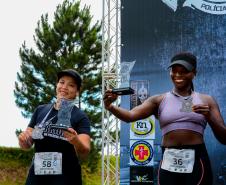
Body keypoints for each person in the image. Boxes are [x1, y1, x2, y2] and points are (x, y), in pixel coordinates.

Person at [104, 52, 226, 185]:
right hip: (168, 159)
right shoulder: (158, 100)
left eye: (184, 71)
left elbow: (224, 138)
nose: (178, 75)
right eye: (174, 71)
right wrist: (110, 106)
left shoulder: (206, 100)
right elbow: (129, 116)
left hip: (197, 161)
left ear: (194, 73)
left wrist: (209, 117)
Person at [18, 69, 91, 185]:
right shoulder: (40, 110)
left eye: (71, 85)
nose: (64, 87)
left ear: (77, 91)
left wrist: (76, 141)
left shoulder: (80, 116)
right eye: (62, 82)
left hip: (66, 177)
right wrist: (23, 140)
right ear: (57, 85)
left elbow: (85, 150)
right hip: (37, 176)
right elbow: (27, 144)